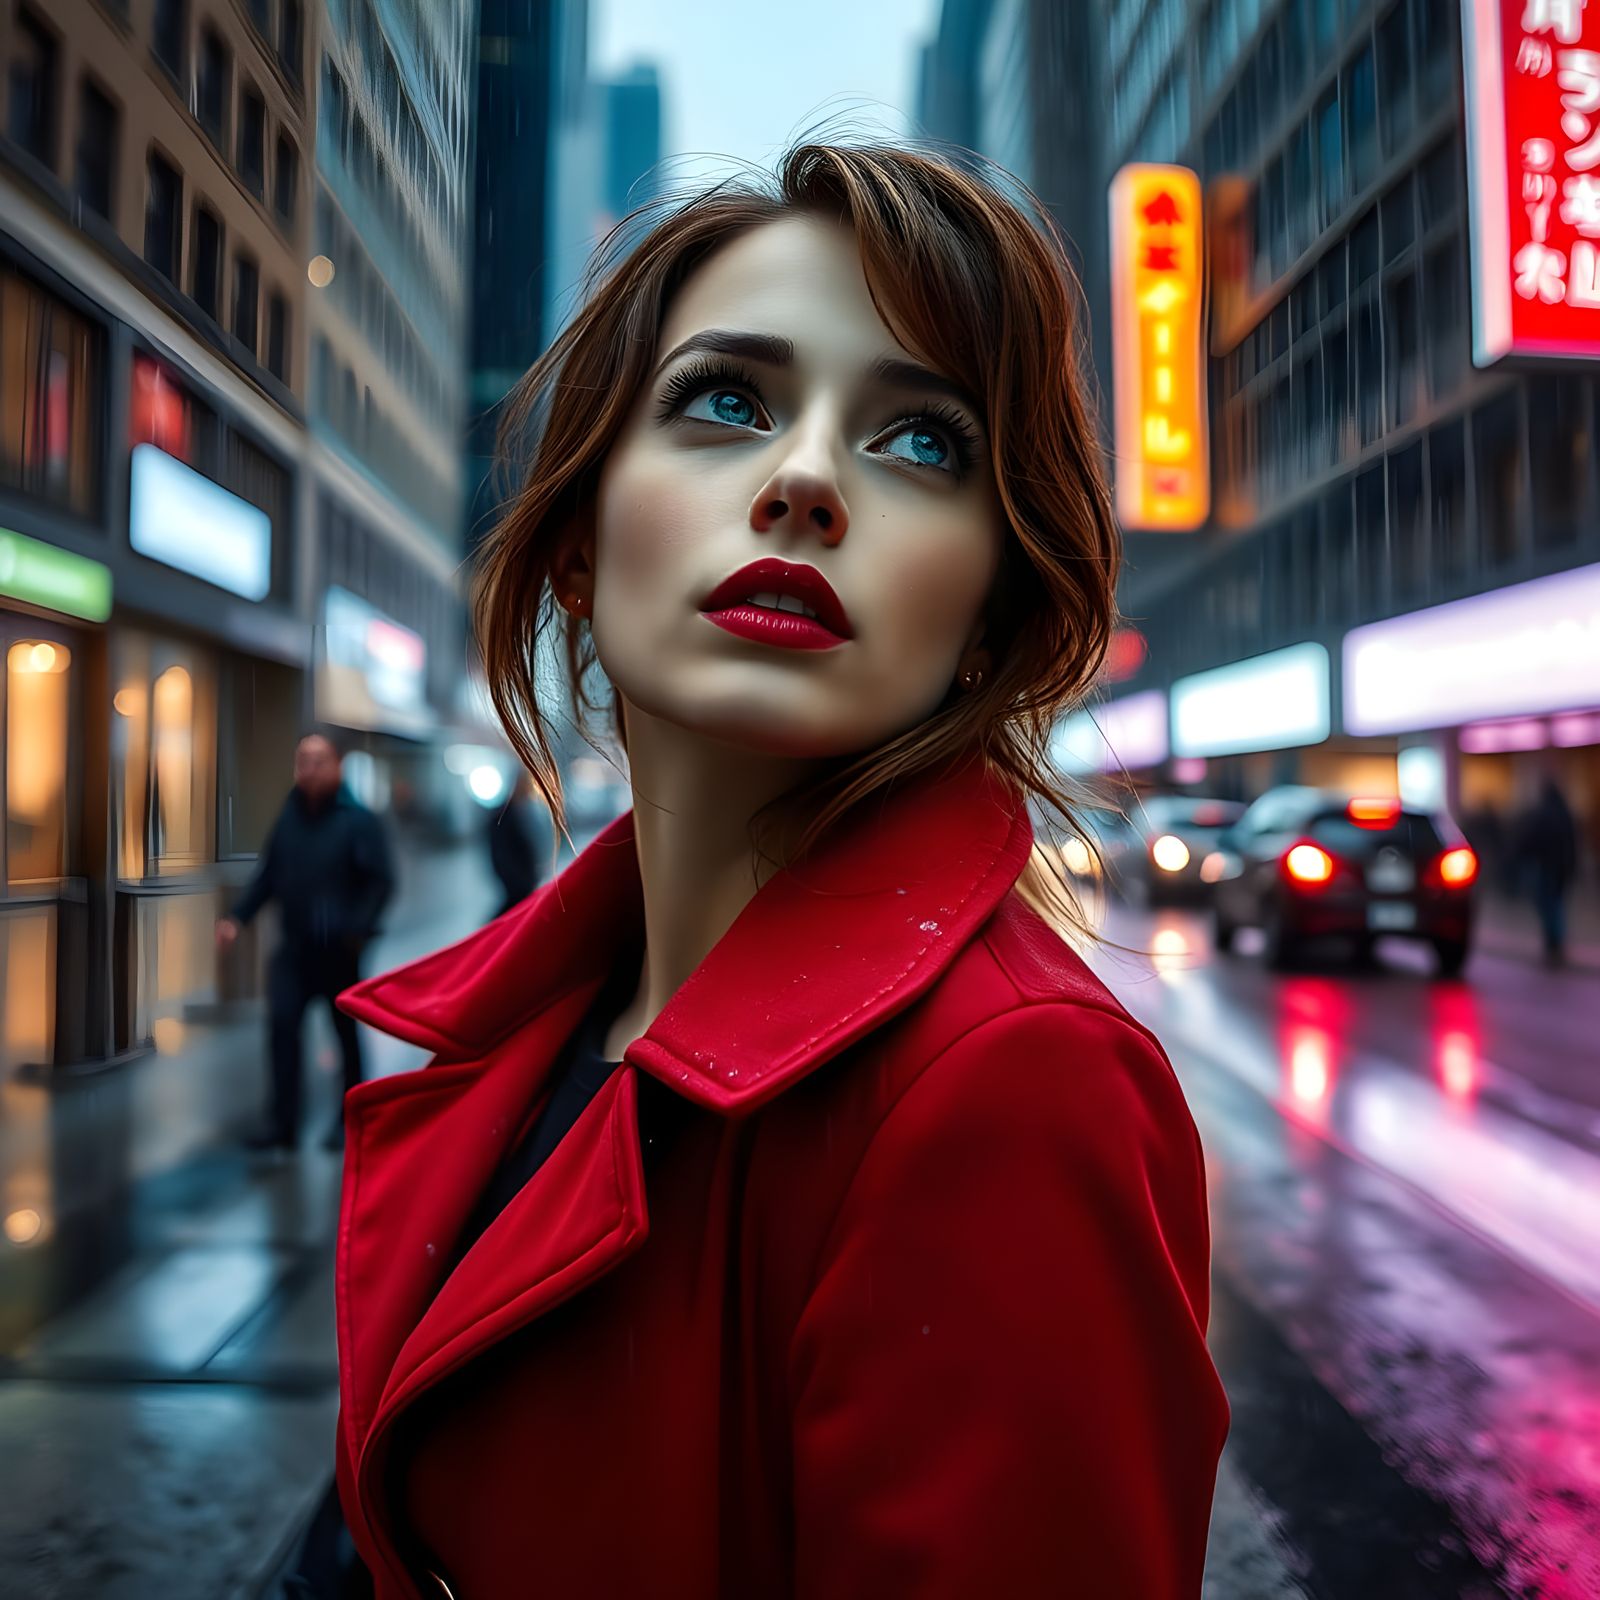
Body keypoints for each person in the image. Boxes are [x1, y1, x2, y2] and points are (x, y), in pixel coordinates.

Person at [313, 143, 1228, 1598]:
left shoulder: (1014, 1087)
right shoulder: (536, 1022)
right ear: (574, 541)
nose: (804, 481)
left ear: (989, 614)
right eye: (726, 402)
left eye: (922, 442)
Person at [217, 732, 394, 1151]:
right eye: (303, 762)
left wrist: (359, 929)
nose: (309, 770)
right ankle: (283, 1126)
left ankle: (349, 1121)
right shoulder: (289, 819)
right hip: (294, 950)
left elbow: (381, 882)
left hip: (340, 952)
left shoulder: (358, 820)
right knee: (281, 1029)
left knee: (345, 1038)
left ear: (336, 767)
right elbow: (268, 877)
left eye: (318, 761)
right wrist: (237, 918)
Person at [1516, 773, 1580, 967]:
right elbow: (1572, 841)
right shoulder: (1564, 813)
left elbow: (1530, 840)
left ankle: (1553, 944)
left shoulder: (1543, 814)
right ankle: (1556, 944)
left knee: (1549, 906)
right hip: (1560, 867)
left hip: (1546, 867)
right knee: (1556, 905)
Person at [484, 771, 554, 917]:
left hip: (527, 879)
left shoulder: (530, 810)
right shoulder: (503, 816)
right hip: (517, 880)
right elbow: (501, 853)